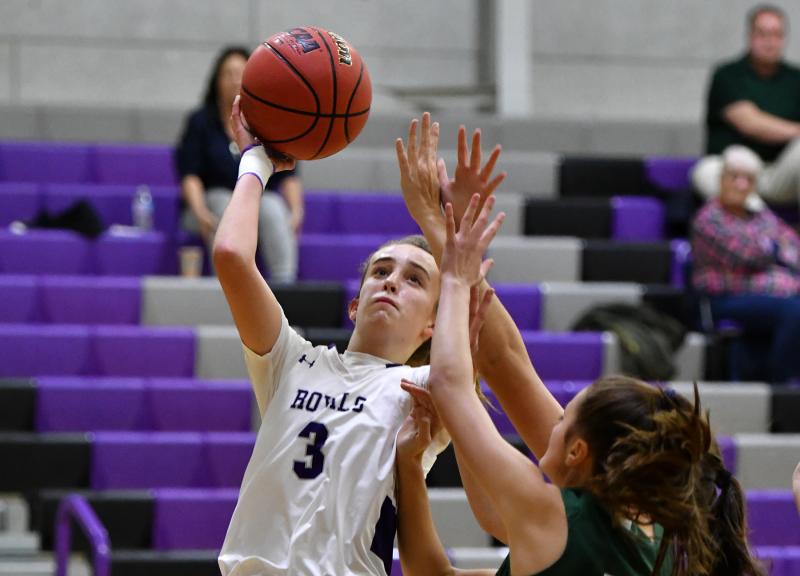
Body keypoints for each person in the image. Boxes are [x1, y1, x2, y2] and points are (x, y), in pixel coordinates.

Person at [393, 118, 763, 575]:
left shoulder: (556, 517)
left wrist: (447, 249)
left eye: (564, 415)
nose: (553, 417)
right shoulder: (662, 541)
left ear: (578, 452)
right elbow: (492, 513)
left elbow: (484, 369)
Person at [213, 103, 510, 575]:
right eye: (381, 271)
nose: (392, 281)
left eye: (415, 280)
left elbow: (490, 344)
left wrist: (448, 234)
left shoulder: (427, 385)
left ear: (433, 325)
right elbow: (231, 255)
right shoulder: (291, 360)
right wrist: (256, 161)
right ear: (355, 304)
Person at [175, 46, 303, 283]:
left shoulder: (267, 122)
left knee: (273, 206)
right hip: (208, 207)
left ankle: (286, 288)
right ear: (216, 80)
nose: (235, 79)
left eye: (240, 73)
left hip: (257, 203)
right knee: (225, 204)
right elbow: (189, 174)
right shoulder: (200, 122)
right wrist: (200, 211)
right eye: (228, 73)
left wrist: (296, 211)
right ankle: (229, 289)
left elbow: (288, 175)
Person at [691, 145, 800, 383]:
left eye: (748, 179)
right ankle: (781, 384)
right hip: (723, 299)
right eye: (735, 177)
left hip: (768, 294)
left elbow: (793, 247)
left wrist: (773, 248)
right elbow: (749, 255)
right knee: (794, 311)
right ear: (721, 179)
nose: (741, 185)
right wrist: (774, 248)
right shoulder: (709, 218)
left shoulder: (760, 214)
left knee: (791, 307)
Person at [692, 4, 800, 211]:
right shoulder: (727, 74)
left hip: (778, 175)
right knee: (703, 172)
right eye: (763, 34)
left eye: (777, 34)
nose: (770, 42)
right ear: (750, 36)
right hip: (732, 173)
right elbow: (750, 123)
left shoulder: (796, 79)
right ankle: (761, 223)